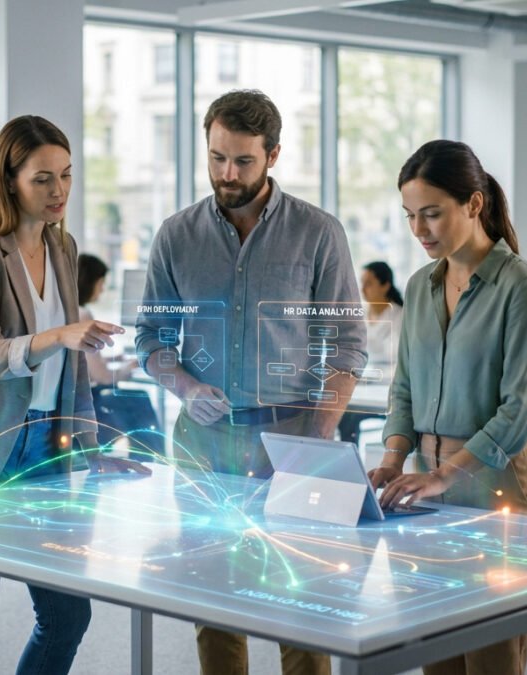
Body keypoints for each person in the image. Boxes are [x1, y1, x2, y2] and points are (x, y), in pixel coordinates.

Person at [0, 115, 150, 675]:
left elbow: (72, 372)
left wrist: (86, 451)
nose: (59, 190)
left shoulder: (62, 247)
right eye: (43, 178)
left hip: (45, 447)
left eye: (66, 175)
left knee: (67, 615)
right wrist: (60, 334)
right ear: (9, 178)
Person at [136, 89, 366, 675]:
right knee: (214, 597)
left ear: (273, 155)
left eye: (242, 161)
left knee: (304, 599)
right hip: (203, 444)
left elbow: (346, 346)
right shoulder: (174, 235)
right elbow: (152, 340)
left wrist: (316, 436)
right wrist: (187, 388)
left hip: (294, 436)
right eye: (216, 158)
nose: (227, 173)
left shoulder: (318, 232)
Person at [369, 139, 527, 675]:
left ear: (473, 205)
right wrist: (394, 455)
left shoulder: (521, 286)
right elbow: (404, 389)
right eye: (410, 216)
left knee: (492, 650)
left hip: (498, 478)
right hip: (428, 476)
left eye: (432, 213)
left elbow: (517, 413)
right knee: (436, 642)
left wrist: (445, 476)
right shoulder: (420, 286)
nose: (420, 229)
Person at [77, 253, 161, 461]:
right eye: (101, 283)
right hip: (90, 403)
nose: (103, 289)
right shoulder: (82, 315)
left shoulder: (66, 311)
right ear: (90, 282)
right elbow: (104, 378)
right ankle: (152, 462)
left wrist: (112, 361)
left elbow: (81, 364)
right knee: (140, 400)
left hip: (78, 397)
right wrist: (129, 367)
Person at [338, 261, 403, 443]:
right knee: (345, 416)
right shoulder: (359, 314)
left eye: (369, 283)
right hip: (363, 386)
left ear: (385, 285)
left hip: (388, 387)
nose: (363, 288)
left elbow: (399, 360)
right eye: (361, 282)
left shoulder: (400, 316)